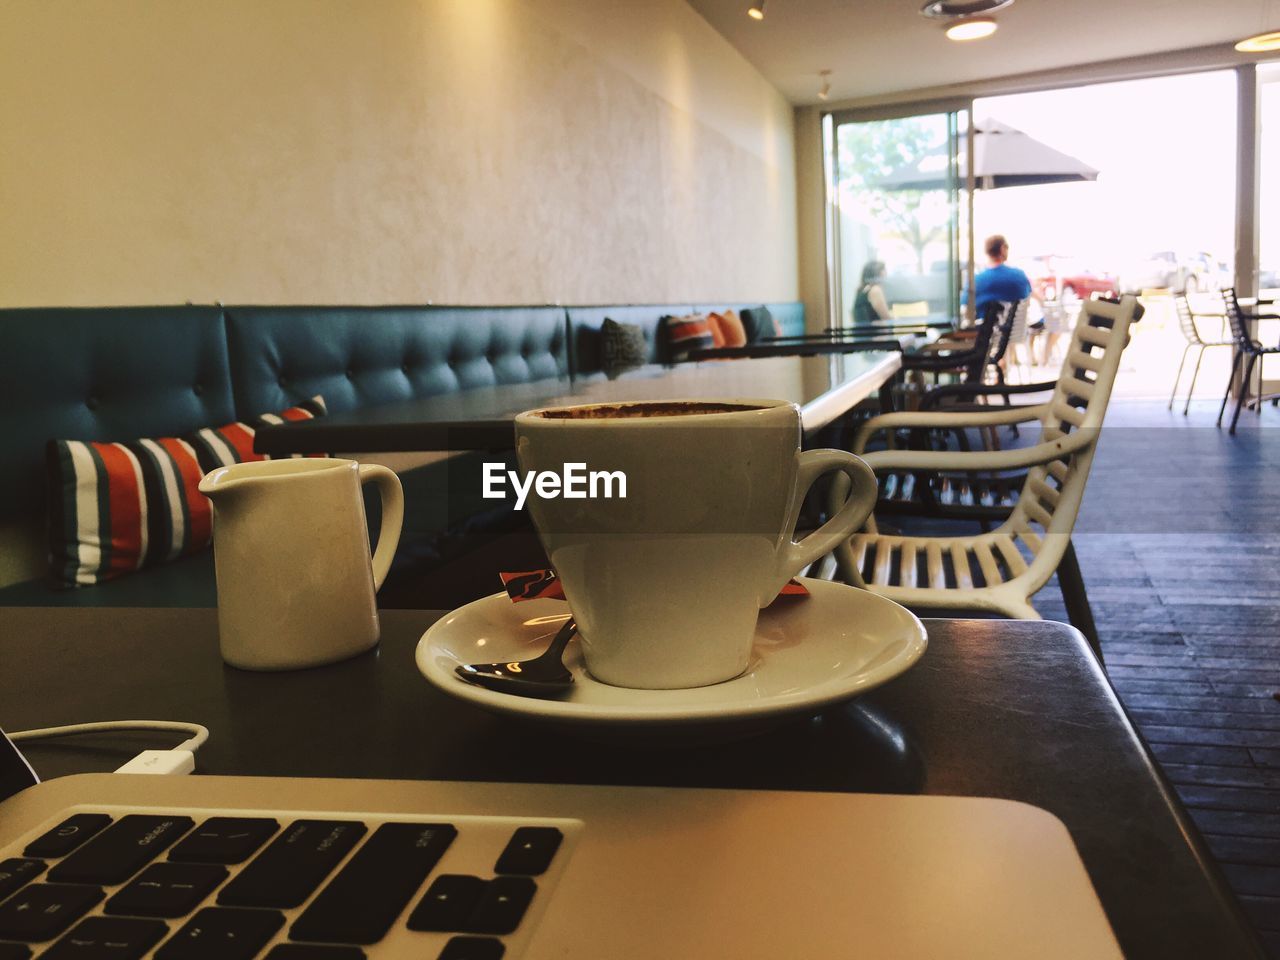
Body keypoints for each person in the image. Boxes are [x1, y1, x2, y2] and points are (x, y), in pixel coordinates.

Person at [972, 234, 1032, 312]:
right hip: (1016, 324)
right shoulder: (1020, 276)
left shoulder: (977, 281)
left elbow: (964, 306)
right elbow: (1027, 298)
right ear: (1003, 249)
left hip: (984, 323)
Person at [852, 260, 892, 325]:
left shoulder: (862, 290)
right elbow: (886, 317)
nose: (886, 273)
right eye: (884, 270)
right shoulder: (875, 290)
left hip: (864, 332)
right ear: (879, 273)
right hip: (874, 333)